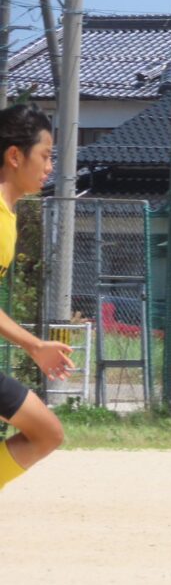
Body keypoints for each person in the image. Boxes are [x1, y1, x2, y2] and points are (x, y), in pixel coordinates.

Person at [0, 104, 73, 495]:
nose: (49, 166)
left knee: (46, 433)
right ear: (15, 156)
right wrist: (34, 345)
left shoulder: (7, 215)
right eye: (45, 155)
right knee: (45, 433)